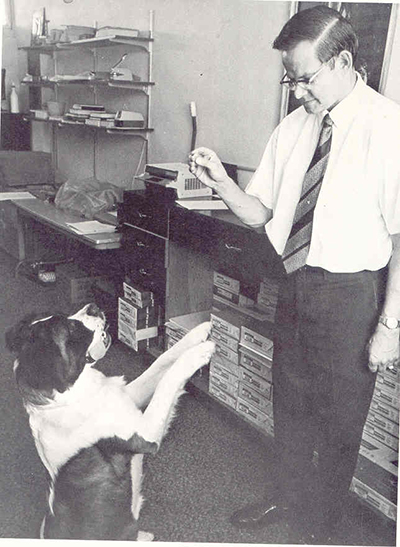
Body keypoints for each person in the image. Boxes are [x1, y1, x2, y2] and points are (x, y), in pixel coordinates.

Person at [189, 5, 400, 544]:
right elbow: (261, 212)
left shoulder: (388, 128)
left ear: (344, 61)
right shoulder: (294, 124)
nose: (297, 91)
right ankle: (286, 494)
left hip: (353, 294)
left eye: (305, 78)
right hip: (297, 283)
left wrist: (389, 327)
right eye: (291, 79)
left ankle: (321, 524)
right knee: (290, 401)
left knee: (340, 421)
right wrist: (220, 182)